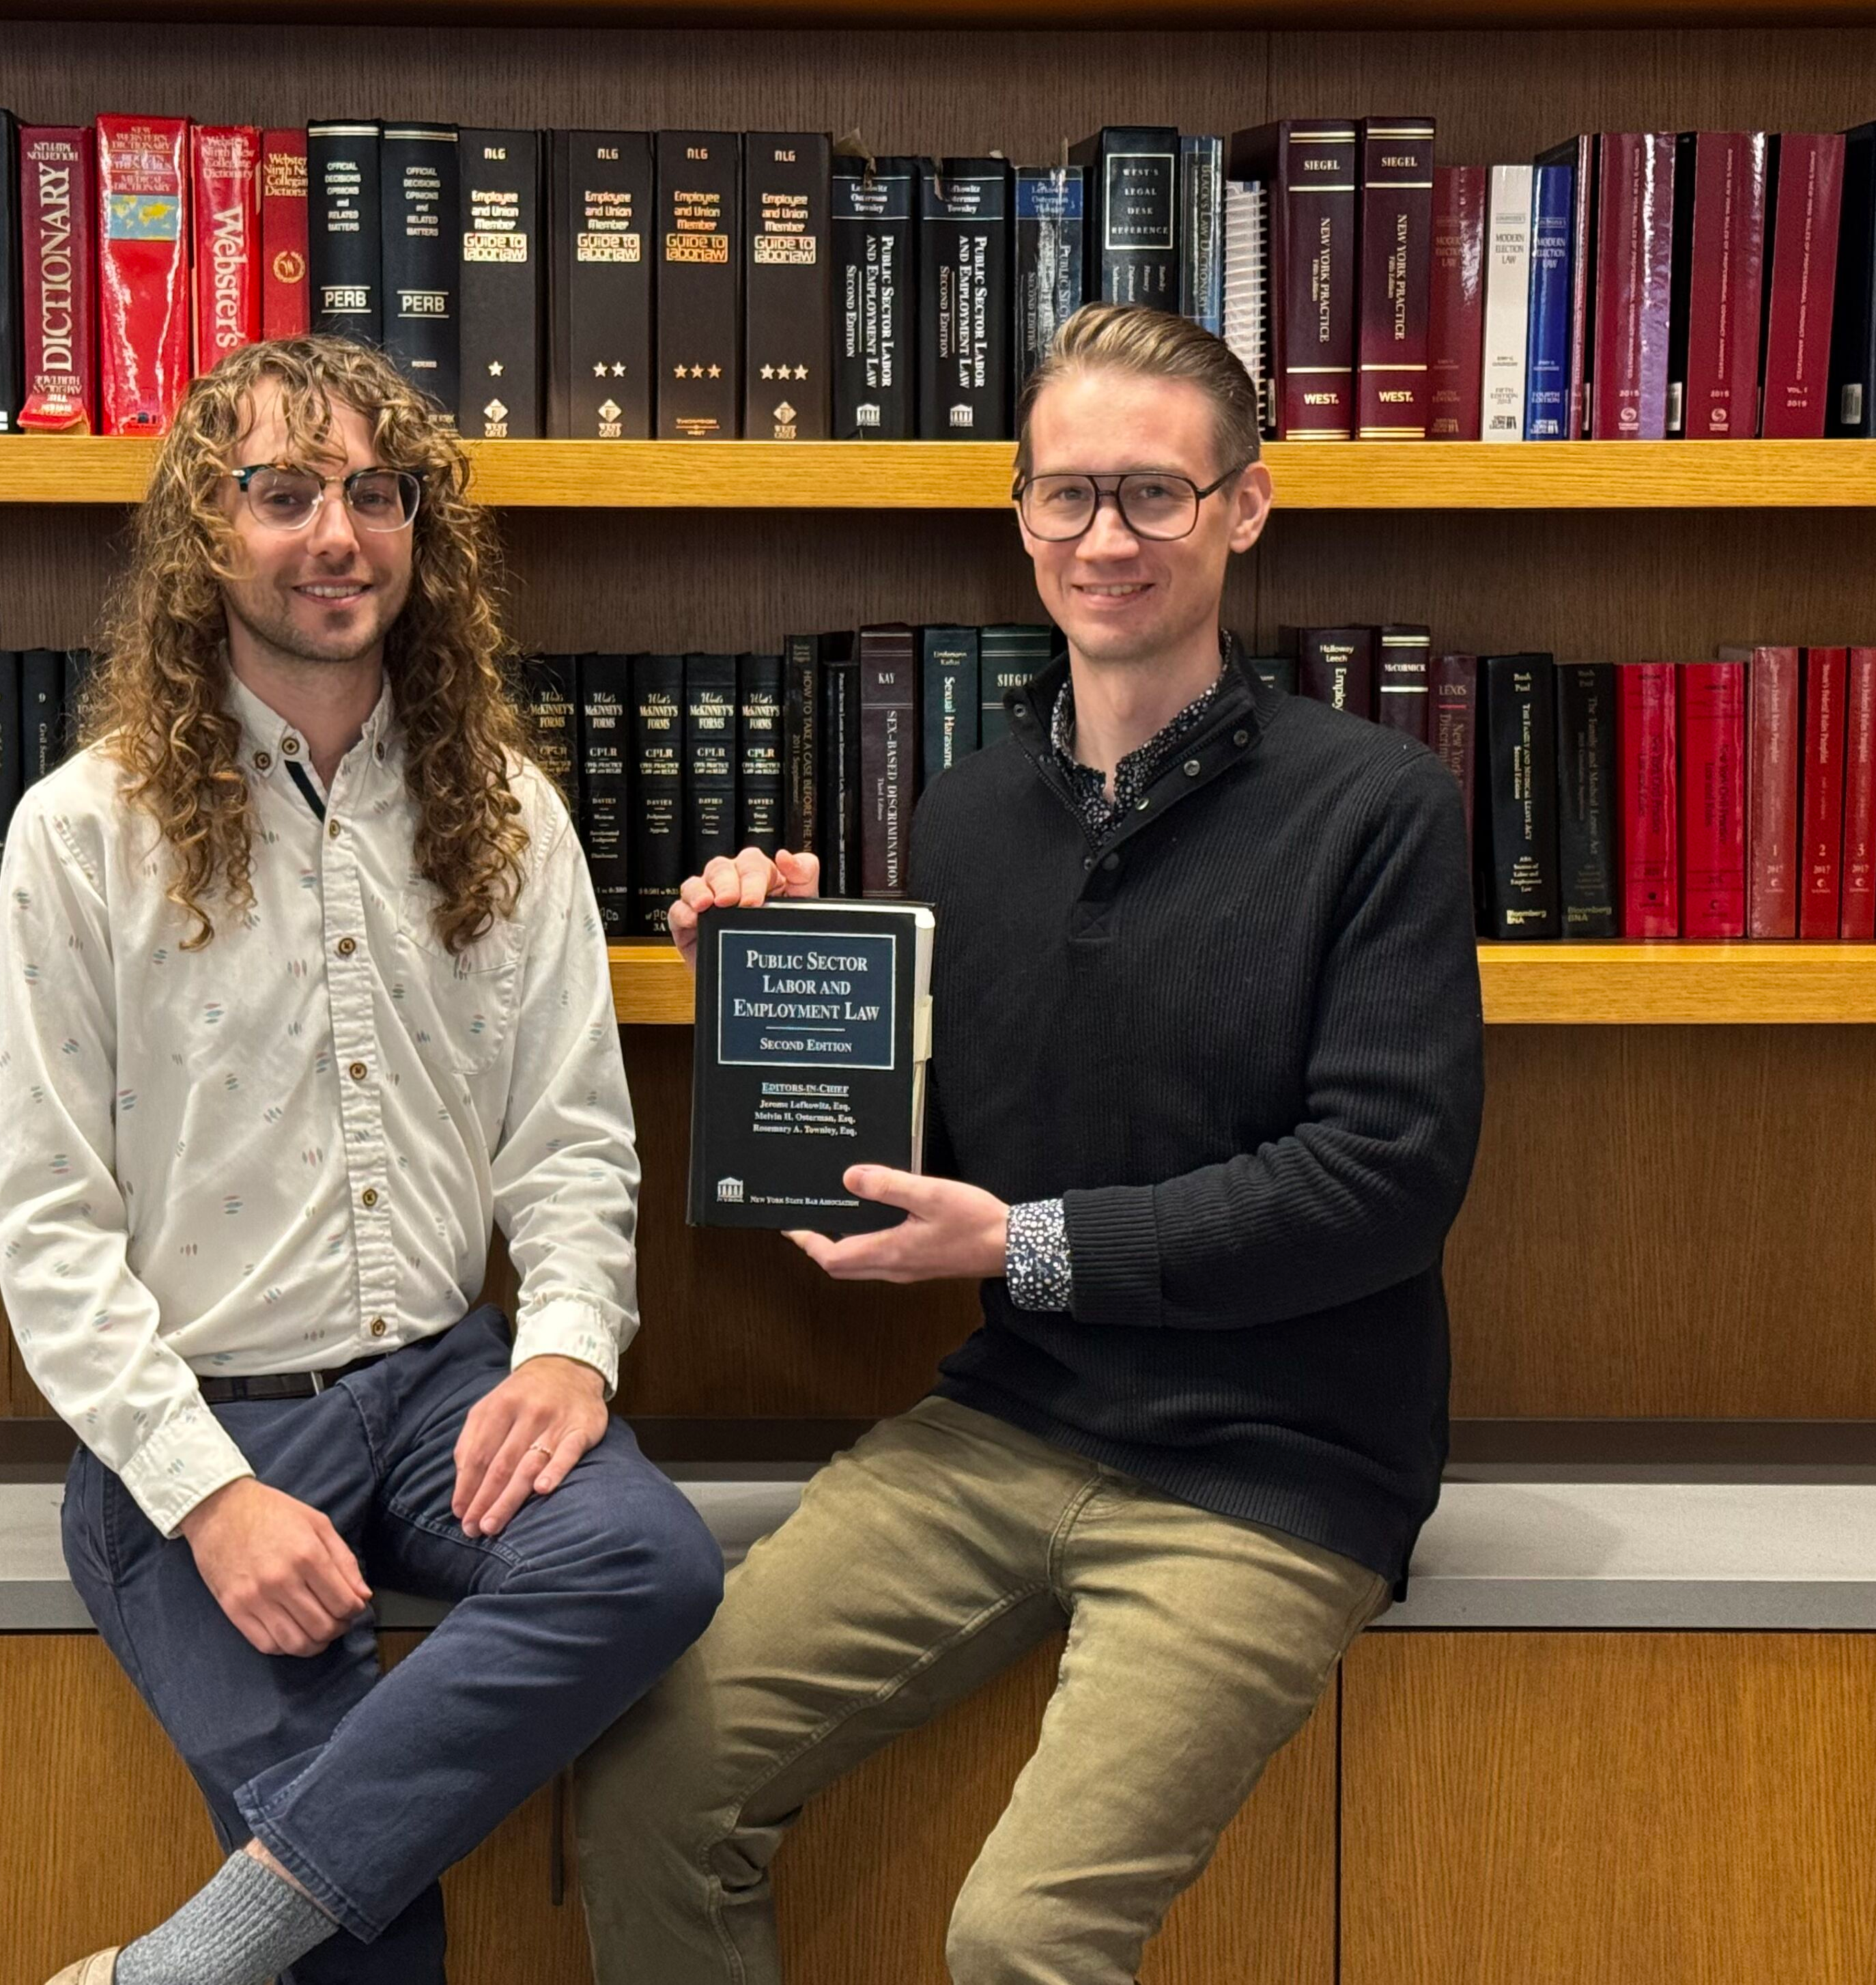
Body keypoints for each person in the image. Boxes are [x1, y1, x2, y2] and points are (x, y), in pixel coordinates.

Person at [577, 302, 1486, 1985]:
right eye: (1064, 496)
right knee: (645, 1790)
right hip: (1005, 1426)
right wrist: (769, 997)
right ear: (1018, 517)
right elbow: (932, 1159)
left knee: (1017, 1940)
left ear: (1244, 506)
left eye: (1152, 492)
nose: (1104, 538)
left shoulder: (1376, 806)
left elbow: (1381, 1182)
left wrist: (1023, 1247)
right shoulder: (964, 814)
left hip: (1274, 1472)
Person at [0, 334, 724, 1985]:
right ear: (203, 533)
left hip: (443, 1393)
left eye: (374, 493)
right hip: (199, 1431)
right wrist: (216, 1497)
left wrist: (566, 1355)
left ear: (419, 533)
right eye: (281, 491)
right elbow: (45, 1231)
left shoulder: (511, 816)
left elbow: (573, 1145)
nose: (337, 532)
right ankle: (262, 1939)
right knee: (369, 1957)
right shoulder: (83, 832)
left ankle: (180, 1963)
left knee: (647, 1560)